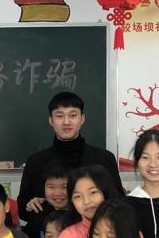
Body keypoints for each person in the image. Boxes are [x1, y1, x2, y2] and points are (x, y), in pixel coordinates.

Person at [18, 92, 123, 230]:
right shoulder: (35, 161)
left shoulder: (103, 158)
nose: (66, 122)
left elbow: (118, 203)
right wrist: (31, 205)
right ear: (51, 120)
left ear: (82, 118)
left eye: (73, 115)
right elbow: (22, 210)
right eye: (59, 116)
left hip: (93, 235)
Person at [23, 160, 69, 238]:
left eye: (64, 187)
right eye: (51, 187)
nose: (57, 193)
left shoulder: (81, 214)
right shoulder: (38, 212)